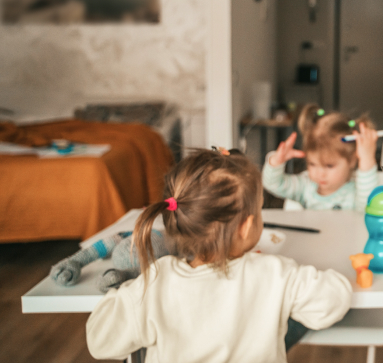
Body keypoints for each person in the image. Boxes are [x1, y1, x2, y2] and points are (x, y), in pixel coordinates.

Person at [86, 149, 353, 363]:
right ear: (247, 227)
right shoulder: (275, 272)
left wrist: (125, 293)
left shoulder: (156, 280)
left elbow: (100, 341)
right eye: (259, 210)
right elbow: (333, 302)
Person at [263, 104, 380, 211]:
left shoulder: (357, 191)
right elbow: (272, 184)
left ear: (352, 160)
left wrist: (367, 160)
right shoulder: (306, 186)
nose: (320, 173)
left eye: (329, 166)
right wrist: (276, 161)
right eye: (312, 164)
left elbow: (370, 206)